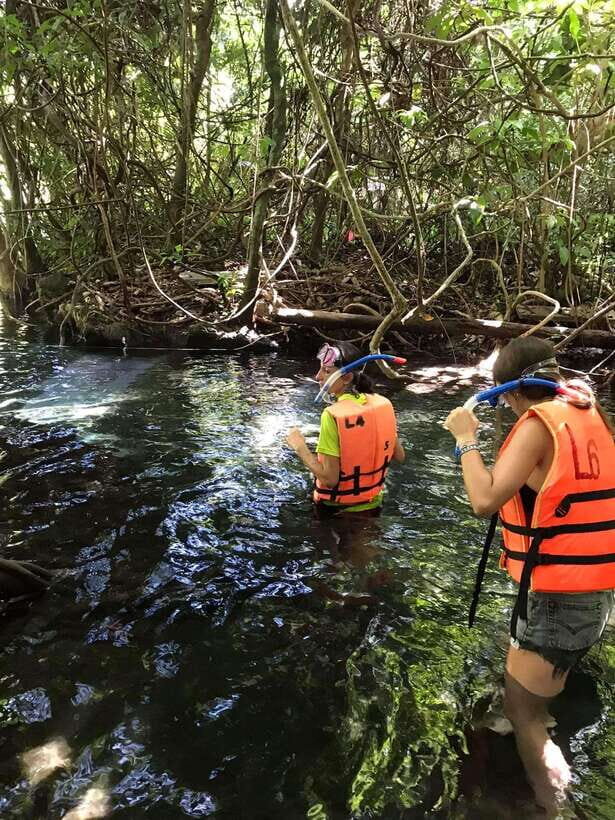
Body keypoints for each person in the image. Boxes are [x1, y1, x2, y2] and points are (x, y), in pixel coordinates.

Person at [443, 336, 615, 816]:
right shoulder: (589, 412)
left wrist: (465, 439)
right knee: (530, 696)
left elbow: (484, 501)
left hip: (559, 599)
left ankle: (555, 808)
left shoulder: (538, 425)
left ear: (511, 392)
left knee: (524, 717)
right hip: (592, 592)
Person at [286, 341, 405, 519]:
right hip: (374, 504)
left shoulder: (332, 415)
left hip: (335, 512)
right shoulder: (383, 403)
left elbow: (329, 479)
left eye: (326, 371)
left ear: (347, 378)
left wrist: (300, 447)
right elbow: (399, 456)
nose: (318, 376)